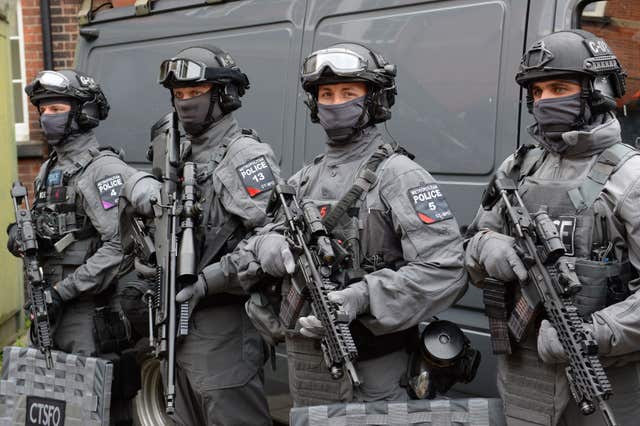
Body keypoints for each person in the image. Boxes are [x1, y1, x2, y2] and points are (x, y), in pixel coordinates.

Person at [178, 43, 468, 406]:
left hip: (375, 372)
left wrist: (362, 297)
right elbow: (256, 239)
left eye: (349, 93)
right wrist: (216, 276)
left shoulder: (399, 176)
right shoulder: (303, 181)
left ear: (375, 99)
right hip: (309, 375)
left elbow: (447, 270)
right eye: (326, 94)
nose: (334, 103)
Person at [464, 29, 640, 426]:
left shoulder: (630, 177)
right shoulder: (518, 167)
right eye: (538, 91)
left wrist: (588, 334)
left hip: (604, 381)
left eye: (559, 87)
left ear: (597, 90)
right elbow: (470, 246)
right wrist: (487, 249)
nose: (545, 101)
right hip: (523, 382)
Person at [120, 45, 275, 425]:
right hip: (177, 334)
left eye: (196, 93)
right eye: (179, 95)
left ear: (224, 95)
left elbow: (271, 240)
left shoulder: (244, 156)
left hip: (224, 334)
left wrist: (211, 280)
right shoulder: (180, 154)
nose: (185, 103)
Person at [7, 69, 139, 424]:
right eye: (43, 110)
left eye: (57, 108)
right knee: (50, 407)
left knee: (91, 409)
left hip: (87, 315)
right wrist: (19, 236)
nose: (47, 117)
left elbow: (119, 246)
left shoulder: (103, 170)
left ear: (84, 112)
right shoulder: (49, 168)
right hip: (49, 310)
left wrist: (63, 292)